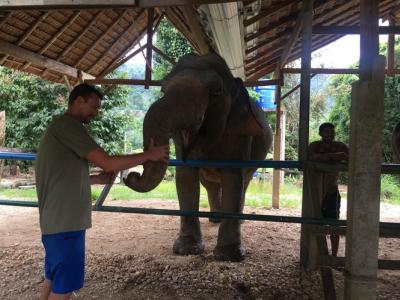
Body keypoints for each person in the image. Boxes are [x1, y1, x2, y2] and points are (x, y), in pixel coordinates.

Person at [35, 84, 169, 300]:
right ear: (78, 100)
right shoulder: (69, 127)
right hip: (66, 224)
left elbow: (60, 177)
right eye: (94, 107)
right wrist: (149, 155)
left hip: (56, 223)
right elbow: (107, 162)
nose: (96, 113)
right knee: (64, 287)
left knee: (53, 276)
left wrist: (96, 179)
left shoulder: (60, 128)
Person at [308, 122, 349, 257]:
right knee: (316, 223)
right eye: (327, 132)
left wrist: (325, 158)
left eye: (332, 132)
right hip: (316, 192)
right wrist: (335, 156)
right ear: (320, 133)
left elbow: (350, 158)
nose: (330, 134)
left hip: (331, 191)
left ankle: (334, 256)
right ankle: (317, 255)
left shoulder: (340, 146)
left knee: (334, 225)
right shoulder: (315, 146)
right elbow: (309, 158)